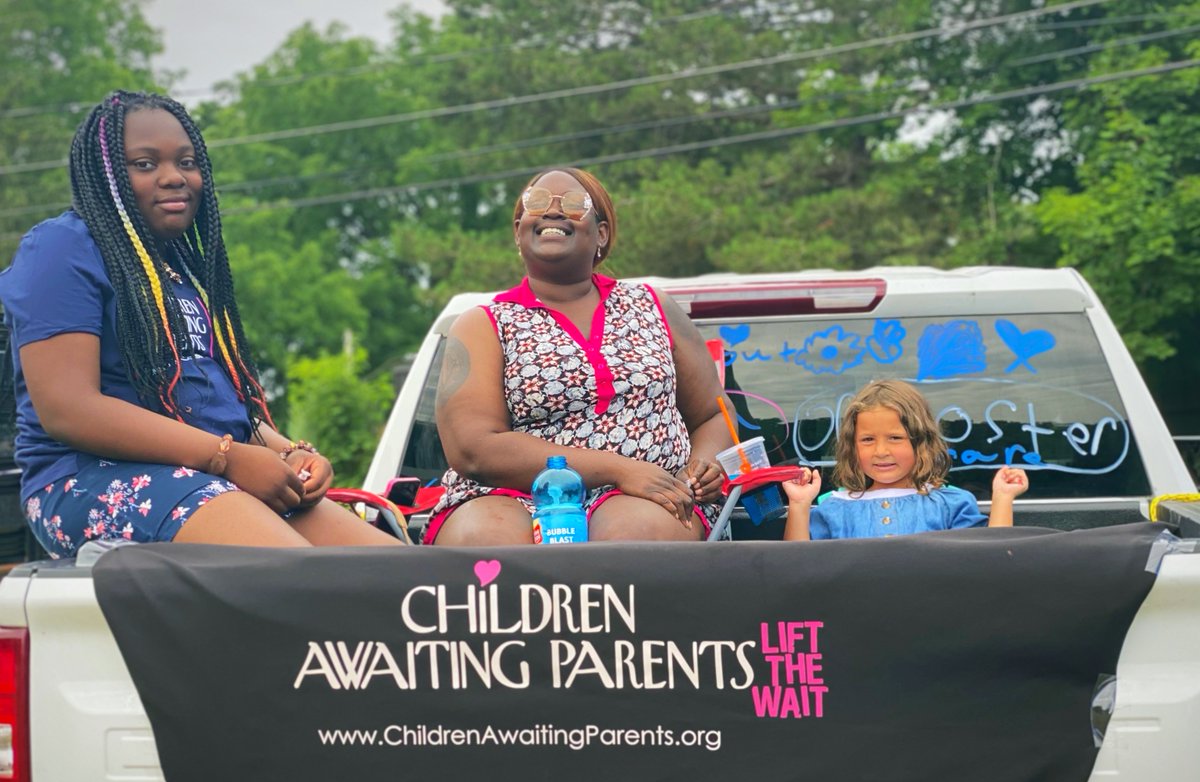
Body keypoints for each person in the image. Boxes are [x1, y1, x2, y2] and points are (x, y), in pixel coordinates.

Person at [0, 91, 398, 557]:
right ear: (104, 174)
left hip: (208, 475)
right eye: (145, 164)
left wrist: (289, 454)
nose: (174, 177)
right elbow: (69, 408)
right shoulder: (62, 248)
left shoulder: (180, 273)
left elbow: (217, 411)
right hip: (86, 479)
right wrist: (227, 459)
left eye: (186, 162)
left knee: (393, 576)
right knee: (306, 578)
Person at [427, 167, 732, 545]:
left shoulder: (654, 307)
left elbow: (713, 413)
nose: (553, 211)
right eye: (536, 203)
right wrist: (618, 469)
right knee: (485, 536)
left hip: (650, 495)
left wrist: (702, 466)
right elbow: (473, 448)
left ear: (601, 234)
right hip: (516, 497)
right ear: (519, 231)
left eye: (574, 204)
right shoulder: (484, 323)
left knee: (632, 532)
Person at [781, 379, 1029, 540]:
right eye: (867, 440)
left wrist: (1002, 498)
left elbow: (992, 560)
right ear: (852, 447)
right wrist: (799, 505)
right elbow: (797, 567)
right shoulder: (834, 508)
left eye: (895, 438)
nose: (881, 451)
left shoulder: (948, 504)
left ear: (920, 441)